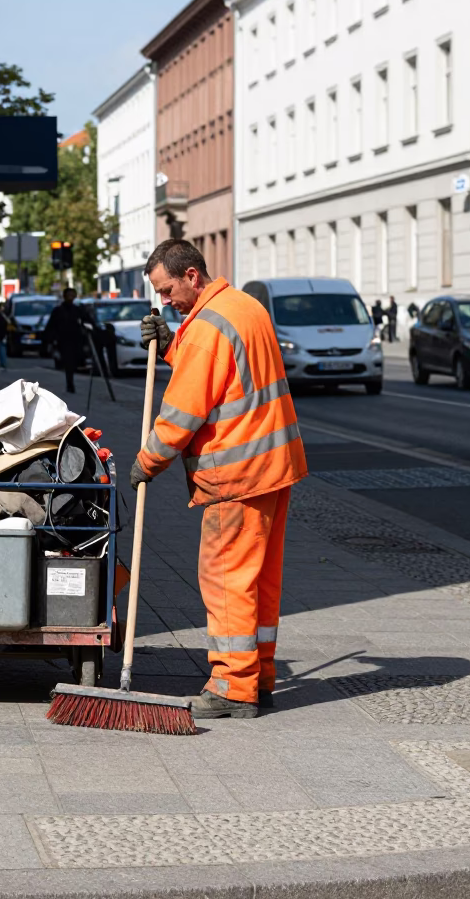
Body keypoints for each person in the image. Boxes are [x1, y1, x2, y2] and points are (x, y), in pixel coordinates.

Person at [133, 240, 308, 719]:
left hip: (237, 474)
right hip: (273, 466)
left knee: (226, 579)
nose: (165, 301)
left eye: (167, 290)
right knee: (260, 580)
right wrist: (173, 345)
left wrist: (148, 461)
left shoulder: (209, 325)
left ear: (192, 275)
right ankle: (259, 675)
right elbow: (225, 375)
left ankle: (232, 685)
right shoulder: (243, 306)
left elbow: (185, 410)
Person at [44, 288, 87, 393]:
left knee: (75, 361)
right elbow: (51, 326)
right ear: (64, 296)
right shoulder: (58, 311)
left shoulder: (77, 310)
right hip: (63, 340)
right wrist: (50, 340)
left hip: (76, 340)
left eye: (73, 295)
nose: (71, 298)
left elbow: (87, 320)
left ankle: (70, 381)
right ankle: (70, 384)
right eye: (69, 295)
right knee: (68, 362)